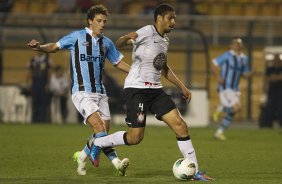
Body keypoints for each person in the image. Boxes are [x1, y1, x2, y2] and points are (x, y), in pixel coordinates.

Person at [89, 4, 214, 181]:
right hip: (136, 90)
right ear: (159, 18)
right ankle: (98, 142)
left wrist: (182, 86)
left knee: (181, 126)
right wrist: (126, 38)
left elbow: (163, 67)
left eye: (175, 18)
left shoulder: (165, 41)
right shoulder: (147, 31)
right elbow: (118, 44)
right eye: (170, 18)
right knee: (135, 138)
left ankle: (195, 171)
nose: (173, 22)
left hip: (155, 90)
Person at [27, 4, 131, 176]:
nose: (102, 24)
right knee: (99, 129)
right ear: (90, 21)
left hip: (100, 92)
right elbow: (54, 47)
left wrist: (136, 71)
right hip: (82, 91)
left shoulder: (107, 43)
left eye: (104, 21)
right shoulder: (77, 37)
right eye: (98, 21)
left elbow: (117, 62)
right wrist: (39, 47)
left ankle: (82, 155)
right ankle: (115, 162)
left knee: (103, 133)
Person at [211, 38, 252, 140]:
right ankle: (220, 109)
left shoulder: (244, 58)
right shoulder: (227, 55)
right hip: (226, 87)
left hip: (235, 89)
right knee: (236, 108)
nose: (236, 45)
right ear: (231, 45)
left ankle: (219, 132)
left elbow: (245, 74)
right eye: (234, 43)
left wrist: (251, 74)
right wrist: (218, 76)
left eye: (238, 44)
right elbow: (213, 65)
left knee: (233, 111)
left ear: (241, 46)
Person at [27, 52, 52, 123]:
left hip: (43, 83)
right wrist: (29, 83)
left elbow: (49, 72)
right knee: (35, 101)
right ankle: (34, 119)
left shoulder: (47, 60)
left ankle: (42, 119)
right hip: (35, 83)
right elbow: (30, 72)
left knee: (42, 102)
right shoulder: (32, 60)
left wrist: (48, 84)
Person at [259, 54, 282, 128]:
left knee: (280, 108)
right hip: (271, 93)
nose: (277, 62)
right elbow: (267, 79)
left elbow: (272, 78)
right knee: (269, 109)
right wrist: (278, 77)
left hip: (280, 93)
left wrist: (273, 77)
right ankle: (268, 125)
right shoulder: (269, 69)